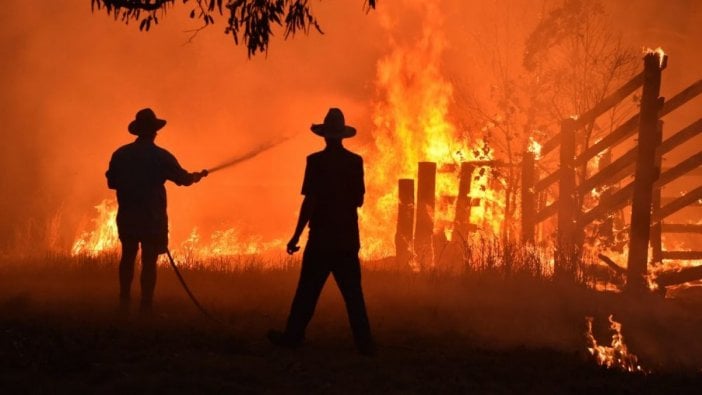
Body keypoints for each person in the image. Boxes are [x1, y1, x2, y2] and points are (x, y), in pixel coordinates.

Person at [268, 108, 375, 355]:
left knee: (307, 292)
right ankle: (365, 345)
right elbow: (359, 200)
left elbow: (310, 201)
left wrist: (296, 236)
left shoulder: (315, 161)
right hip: (347, 239)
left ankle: (292, 337)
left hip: (321, 240)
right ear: (342, 136)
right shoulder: (355, 162)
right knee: (353, 295)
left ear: (325, 136)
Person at [106, 108, 207, 313]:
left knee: (127, 257)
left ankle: (124, 301)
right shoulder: (161, 156)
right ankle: (146, 305)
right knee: (149, 261)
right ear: (153, 132)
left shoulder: (121, 154)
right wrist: (197, 176)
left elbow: (112, 183)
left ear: (137, 131)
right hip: (152, 218)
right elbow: (183, 179)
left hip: (127, 216)